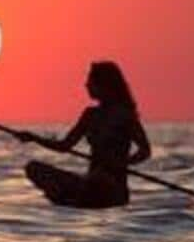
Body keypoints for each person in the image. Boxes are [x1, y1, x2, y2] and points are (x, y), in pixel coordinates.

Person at [15, 60, 152, 208]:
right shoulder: (90, 115)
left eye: (90, 81)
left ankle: (72, 196)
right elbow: (64, 146)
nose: (86, 85)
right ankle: (71, 196)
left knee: (99, 179)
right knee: (33, 168)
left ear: (104, 85)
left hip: (113, 188)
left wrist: (122, 163)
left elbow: (145, 150)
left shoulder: (124, 115)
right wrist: (33, 138)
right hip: (90, 183)